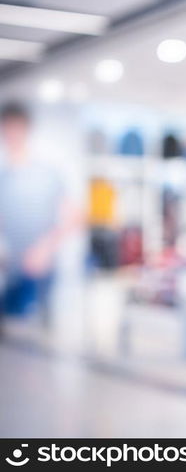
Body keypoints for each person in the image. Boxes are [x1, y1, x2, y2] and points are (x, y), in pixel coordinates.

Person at [0, 102, 80, 330]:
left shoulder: (47, 173)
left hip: (42, 273)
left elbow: (74, 217)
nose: (11, 135)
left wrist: (45, 249)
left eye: (16, 128)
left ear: (27, 129)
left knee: (39, 345)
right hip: (8, 270)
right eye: (7, 129)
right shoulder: (3, 176)